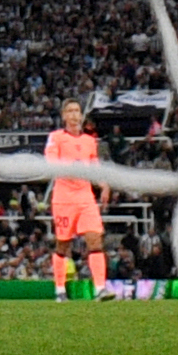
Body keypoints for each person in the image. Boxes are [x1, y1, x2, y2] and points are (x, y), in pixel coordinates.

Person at [44, 101, 105, 301]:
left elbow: (95, 165)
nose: (74, 115)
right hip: (64, 198)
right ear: (63, 116)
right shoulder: (56, 138)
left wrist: (104, 184)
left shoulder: (89, 140)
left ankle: (100, 288)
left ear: (81, 115)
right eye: (70, 111)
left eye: (77, 111)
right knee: (63, 244)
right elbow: (51, 162)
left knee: (95, 239)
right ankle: (60, 290)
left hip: (85, 196)